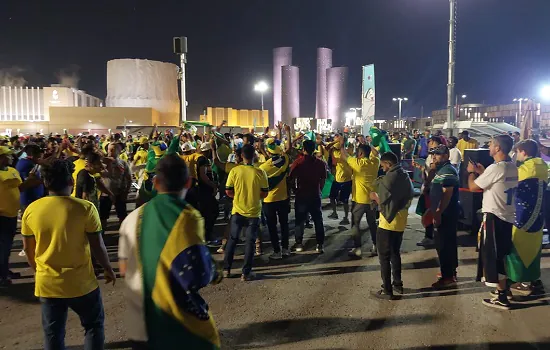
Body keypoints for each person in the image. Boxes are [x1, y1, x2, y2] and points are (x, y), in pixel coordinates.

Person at [118, 154, 222, 349]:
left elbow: (124, 269)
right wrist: (215, 270)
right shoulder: (187, 216)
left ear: (155, 182)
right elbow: (197, 275)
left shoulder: (131, 219)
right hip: (178, 326)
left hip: (140, 324)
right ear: (189, 183)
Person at [21, 159, 116, 349]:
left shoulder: (31, 210)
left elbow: (29, 250)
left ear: (45, 183)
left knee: (53, 333)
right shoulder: (86, 208)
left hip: (48, 284)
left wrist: (38, 271)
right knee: (93, 326)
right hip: (82, 282)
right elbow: (98, 246)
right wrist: (108, 268)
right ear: (71, 182)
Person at [468, 134, 518, 310]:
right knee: (501, 255)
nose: (489, 147)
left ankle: (502, 296)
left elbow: (473, 187)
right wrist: (483, 173)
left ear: (498, 148)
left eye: (491, 145)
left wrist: (471, 173)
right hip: (507, 217)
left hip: (493, 217)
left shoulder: (496, 168)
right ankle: (503, 291)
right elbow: (497, 184)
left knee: (492, 257)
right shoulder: (512, 167)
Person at [370, 152, 414, 300]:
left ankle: (387, 290)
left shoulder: (390, 177)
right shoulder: (404, 175)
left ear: (388, 164)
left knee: (384, 256)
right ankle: (397, 283)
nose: (382, 169)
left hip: (388, 223)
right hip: (401, 221)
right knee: (395, 253)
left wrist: (374, 197)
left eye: (383, 166)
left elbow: (382, 200)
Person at [505, 140, 547, 295]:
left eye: (517, 152)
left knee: (517, 250)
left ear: (523, 151)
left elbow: (508, 185)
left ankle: (522, 282)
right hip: (538, 217)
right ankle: (535, 282)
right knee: (534, 251)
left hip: (522, 217)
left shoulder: (525, 170)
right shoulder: (542, 165)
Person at [223, 144, 269, 281]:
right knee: (250, 242)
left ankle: (227, 269)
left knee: (232, 240)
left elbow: (228, 191)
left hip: (237, 211)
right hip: (254, 212)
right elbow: (264, 193)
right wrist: (253, 196)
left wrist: (238, 197)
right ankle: (245, 273)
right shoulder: (260, 172)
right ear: (254, 156)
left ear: (241, 156)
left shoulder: (235, 171)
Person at [341, 143, 380, 258]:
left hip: (359, 200)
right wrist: (368, 144)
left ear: (361, 153)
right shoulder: (375, 162)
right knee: (372, 224)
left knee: (355, 224)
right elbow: (376, 153)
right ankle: (375, 246)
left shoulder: (358, 163)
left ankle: (357, 248)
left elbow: (344, 156)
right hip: (372, 199)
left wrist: (342, 144)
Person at [429, 145, 460, 289]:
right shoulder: (442, 170)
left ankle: (447, 276)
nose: (435, 156)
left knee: (444, 245)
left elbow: (447, 194)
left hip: (446, 214)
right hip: (445, 213)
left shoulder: (448, 170)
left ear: (447, 155)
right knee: (447, 243)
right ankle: (450, 272)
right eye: (434, 154)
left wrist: (438, 213)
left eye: (438, 154)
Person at [289, 140, 327, 253]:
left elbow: (291, 178)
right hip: (315, 194)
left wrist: (295, 190)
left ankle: (299, 243)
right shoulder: (320, 163)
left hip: (301, 194)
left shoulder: (298, 162)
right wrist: (319, 189)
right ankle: (319, 245)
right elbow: (323, 179)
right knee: (318, 220)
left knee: (300, 220)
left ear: (303, 149)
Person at [260, 137, 291, 260]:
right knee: (284, 224)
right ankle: (285, 249)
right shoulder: (285, 160)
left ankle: (276, 251)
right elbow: (287, 150)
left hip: (269, 201)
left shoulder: (263, 168)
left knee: (272, 227)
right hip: (283, 198)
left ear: (267, 152)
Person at [416, 136, 443, 247]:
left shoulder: (436, 157)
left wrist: (427, 184)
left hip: (431, 189)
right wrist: (421, 169)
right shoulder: (429, 156)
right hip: (428, 187)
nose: (428, 144)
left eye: (430, 142)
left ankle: (431, 237)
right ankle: (430, 236)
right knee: (427, 212)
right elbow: (428, 172)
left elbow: (432, 172)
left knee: (430, 213)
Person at [100, 142, 132, 229]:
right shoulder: (101, 163)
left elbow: (129, 179)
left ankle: (123, 233)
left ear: (119, 151)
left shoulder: (123, 163)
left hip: (119, 194)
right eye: (109, 149)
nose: (110, 151)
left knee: (122, 216)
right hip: (105, 194)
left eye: (113, 149)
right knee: (103, 217)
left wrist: (126, 192)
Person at [327, 134, 353, 225]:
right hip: (337, 178)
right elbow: (327, 147)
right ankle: (335, 213)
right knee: (332, 197)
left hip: (346, 180)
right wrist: (336, 141)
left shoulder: (347, 150)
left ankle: (346, 217)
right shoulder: (334, 151)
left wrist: (340, 142)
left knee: (345, 200)